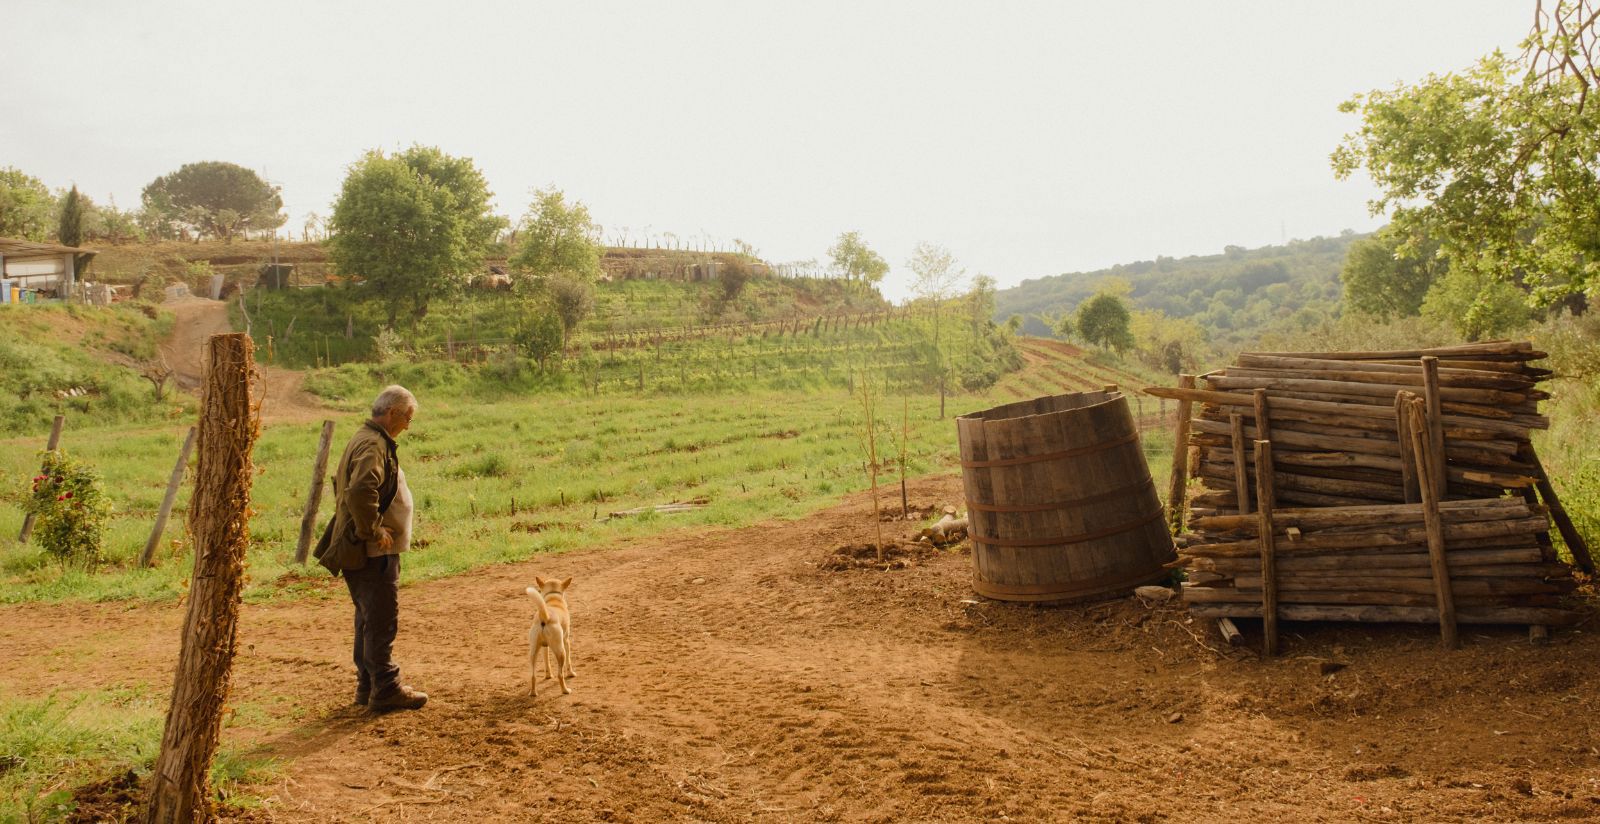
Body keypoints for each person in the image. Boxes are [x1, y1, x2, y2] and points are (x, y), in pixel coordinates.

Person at [314, 385, 427, 712]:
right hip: (371, 551)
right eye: (407, 418)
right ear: (392, 413)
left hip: (360, 548)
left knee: (367, 619)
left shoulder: (366, 438)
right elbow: (361, 489)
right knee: (380, 620)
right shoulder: (373, 443)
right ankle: (386, 689)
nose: (408, 425)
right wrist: (374, 530)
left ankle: (368, 686)